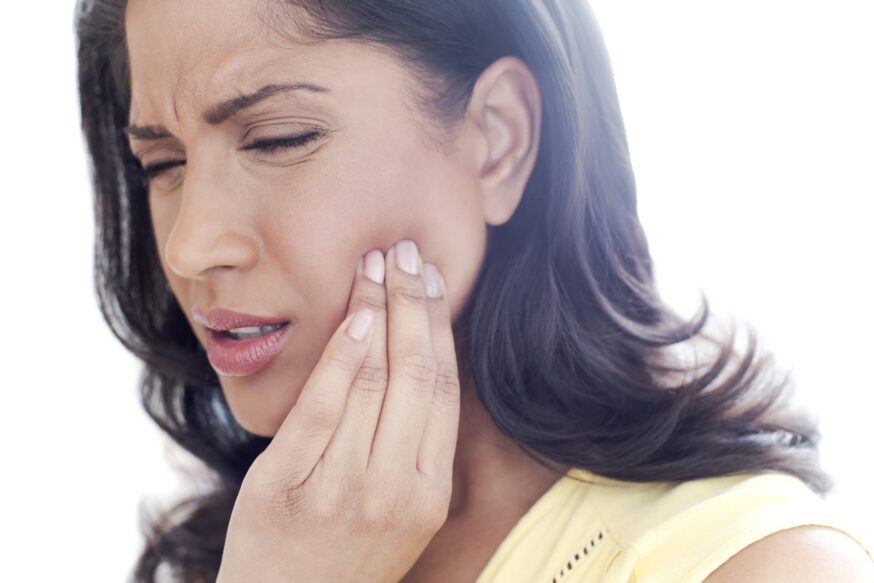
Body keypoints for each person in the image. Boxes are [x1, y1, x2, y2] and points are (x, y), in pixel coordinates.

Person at [75, 0, 873, 581]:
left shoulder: (767, 565)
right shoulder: (226, 552)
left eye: (280, 138)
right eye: (163, 165)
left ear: (499, 139)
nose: (190, 244)